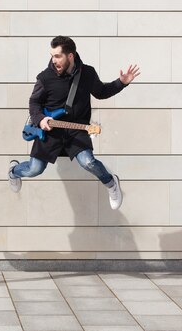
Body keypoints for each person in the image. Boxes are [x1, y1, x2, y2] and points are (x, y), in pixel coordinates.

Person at [8, 36, 140, 210]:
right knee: (34, 169)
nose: (54, 60)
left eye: (58, 56)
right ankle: (13, 171)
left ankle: (111, 183)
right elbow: (34, 103)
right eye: (52, 56)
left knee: (88, 162)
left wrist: (121, 83)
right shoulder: (45, 77)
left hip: (76, 130)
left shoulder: (88, 73)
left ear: (70, 56)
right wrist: (40, 120)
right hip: (50, 130)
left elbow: (101, 92)